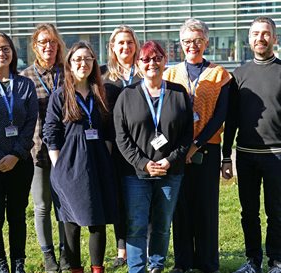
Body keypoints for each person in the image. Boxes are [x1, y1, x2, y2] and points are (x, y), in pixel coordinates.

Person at [114, 40, 193, 273]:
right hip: (136, 174)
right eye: (146, 59)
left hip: (171, 171)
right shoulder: (126, 96)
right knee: (136, 224)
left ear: (165, 61)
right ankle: (136, 268)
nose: (152, 63)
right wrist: (143, 163)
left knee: (162, 224)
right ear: (138, 64)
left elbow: (187, 134)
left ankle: (157, 265)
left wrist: (170, 160)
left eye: (157, 58)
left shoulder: (179, 93)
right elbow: (121, 136)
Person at [163, 18, 232, 273]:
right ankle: (183, 262)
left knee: (206, 206)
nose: (193, 45)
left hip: (207, 148)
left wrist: (196, 144)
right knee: (180, 206)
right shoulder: (169, 74)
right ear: (181, 44)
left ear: (207, 42)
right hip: (177, 151)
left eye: (198, 40)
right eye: (188, 41)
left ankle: (207, 262)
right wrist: (182, 148)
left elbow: (220, 116)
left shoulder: (220, 75)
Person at [43, 41, 117, 273]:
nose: (83, 63)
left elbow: (108, 128)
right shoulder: (60, 96)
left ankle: (97, 268)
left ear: (94, 63)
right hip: (70, 164)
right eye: (77, 59)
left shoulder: (101, 93)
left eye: (87, 59)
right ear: (69, 64)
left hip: (98, 162)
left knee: (97, 218)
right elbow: (50, 132)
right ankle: (75, 268)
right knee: (71, 220)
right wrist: (59, 165)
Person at [222, 16, 281, 273]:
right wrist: (226, 157)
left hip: (278, 155)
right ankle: (252, 261)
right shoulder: (239, 75)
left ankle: (276, 261)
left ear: (274, 38)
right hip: (245, 155)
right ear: (249, 39)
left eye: (265, 33)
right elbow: (231, 120)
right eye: (255, 33)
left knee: (277, 213)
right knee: (249, 213)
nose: (260, 38)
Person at [0, 32, 38, 273]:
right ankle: (0, 265)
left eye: (6, 48)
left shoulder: (25, 84)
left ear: (13, 53)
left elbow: (31, 122)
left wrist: (15, 155)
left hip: (20, 162)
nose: (1, 53)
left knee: (17, 215)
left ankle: (18, 263)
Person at [20, 23, 69, 273]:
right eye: (43, 42)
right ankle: (48, 255)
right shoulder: (26, 76)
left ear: (58, 45)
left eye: (52, 42)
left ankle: (65, 252)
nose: (48, 46)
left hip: (66, 153)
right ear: (35, 46)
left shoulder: (68, 72)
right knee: (42, 205)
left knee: (64, 204)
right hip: (38, 152)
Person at [101, 25, 141, 268]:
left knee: (141, 199)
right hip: (114, 147)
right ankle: (122, 251)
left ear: (135, 45)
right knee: (118, 200)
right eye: (120, 43)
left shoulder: (145, 70)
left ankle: (143, 248)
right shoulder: (103, 75)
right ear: (112, 47)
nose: (125, 47)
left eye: (129, 42)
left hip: (142, 148)